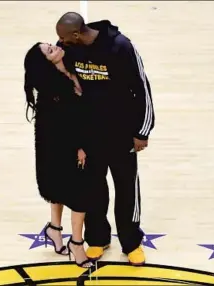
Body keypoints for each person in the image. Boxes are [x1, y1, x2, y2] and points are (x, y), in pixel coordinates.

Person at [55, 12, 155, 266]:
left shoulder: (120, 46)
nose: (60, 43)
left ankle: (131, 242)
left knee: (126, 190)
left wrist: (142, 131)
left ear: (77, 34)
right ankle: (98, 239)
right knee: (93, 189)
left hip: (121, 133)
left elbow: (142, 87)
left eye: (64, 38)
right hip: (88, 135)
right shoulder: (68, 49)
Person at [23, 42, 93, 268]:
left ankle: (54, 229)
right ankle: (77, 243)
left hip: (61, 142)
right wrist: (79, 147)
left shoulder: (68, 68)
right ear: (46, 62)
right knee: (80, 196)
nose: (55, 47)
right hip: (60, 145)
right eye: (50, 51)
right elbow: (66, 123)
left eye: (50, 45)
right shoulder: (53, 89)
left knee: (59, 189)